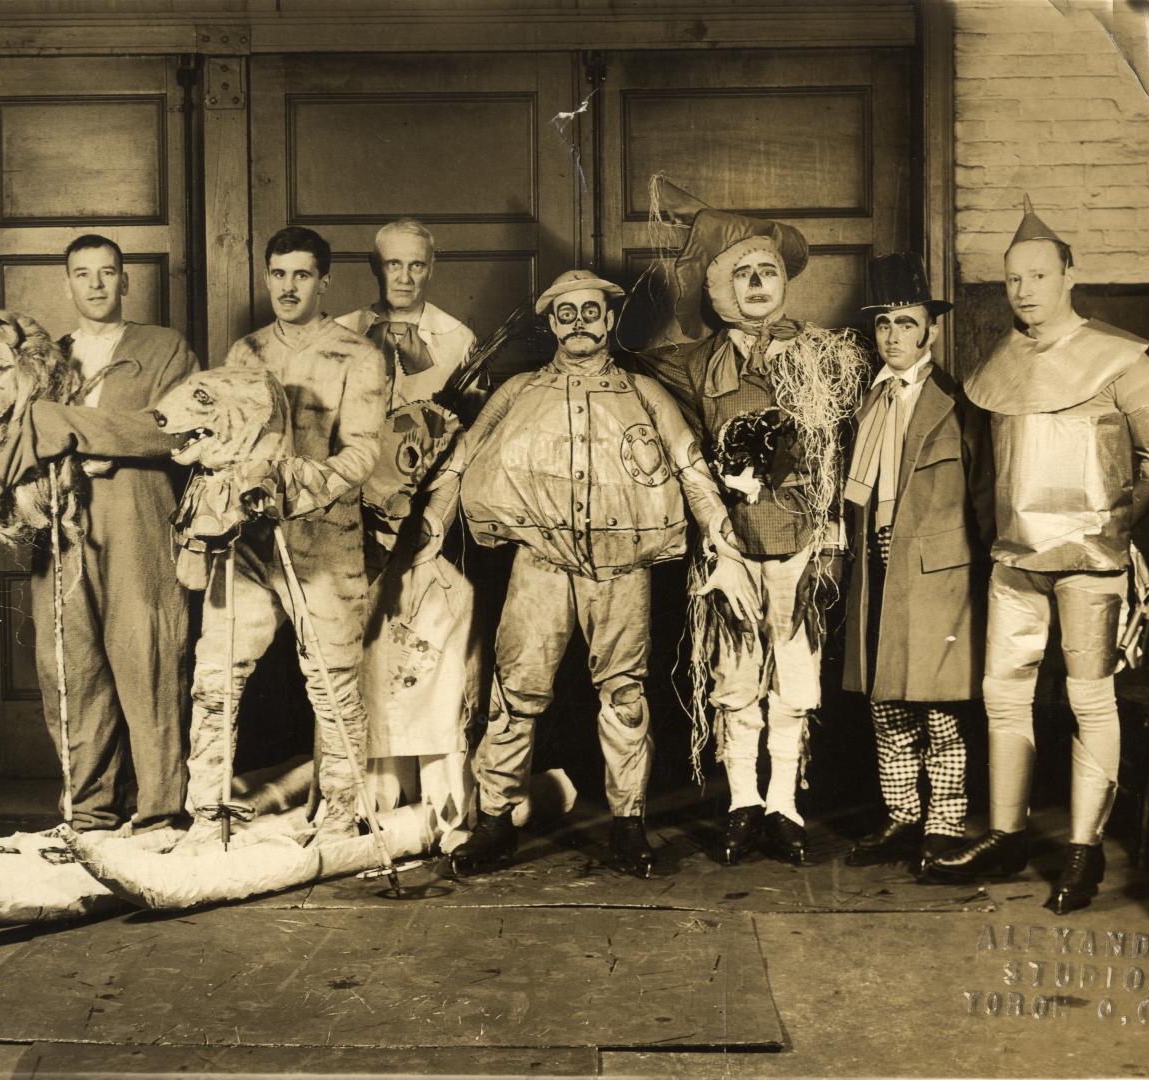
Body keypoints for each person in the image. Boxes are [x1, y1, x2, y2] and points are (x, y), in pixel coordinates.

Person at [424, 269, 736, 879]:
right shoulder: (517, 391)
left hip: (621, 567)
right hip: (538, 564)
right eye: (565, 315)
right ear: (550, 326)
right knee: (516, 694)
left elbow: (690, 464)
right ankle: (495, 818)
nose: (579, 325)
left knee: (623, 696)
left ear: (610, 320)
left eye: (590, 313)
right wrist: (433, 524)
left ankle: (628, 822)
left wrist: (722, 534)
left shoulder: (643, 393)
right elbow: (458, 464)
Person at [925, 200, 1149, 914]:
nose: (1024, 289)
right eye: (1012, 279)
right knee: (1002, 693)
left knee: (1087, 696)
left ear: (1068, 273)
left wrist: (1112, 532)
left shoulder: (1121, 357)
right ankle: (1006, 835)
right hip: (1014, 558)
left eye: (1038, 274)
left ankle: (1082, 851)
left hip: (1089, 562)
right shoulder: (999, 360)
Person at [0, 234, 197, 834]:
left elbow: (174, 431)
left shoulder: (163, 348)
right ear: (67, 283)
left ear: (125, 281)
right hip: (60, 539)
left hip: (138, 529)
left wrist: (68, 429)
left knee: (152, 667)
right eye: (82, 274)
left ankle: (162, 816)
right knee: (70, 673)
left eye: (107, 273)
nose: (95, 284)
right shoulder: (38, 361)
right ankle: (89, 815)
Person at [639, 207, 864, 867]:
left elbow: (842, 439)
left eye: (768, 270)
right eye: (742, 273)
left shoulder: (824, 353)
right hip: (729, 545)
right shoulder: (691, 364)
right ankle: (740, 803)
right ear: (717, 291)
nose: (758, 282)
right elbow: (632, 364)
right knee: (734, 675)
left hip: (802, 540)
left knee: (793, 678)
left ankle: (783, 806)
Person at [185, 226, 388, 844]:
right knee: (216, 676)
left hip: (323, 539)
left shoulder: (360, 355)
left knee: (331, 681)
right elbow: (221, 434)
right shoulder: (245, 352)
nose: (288, 287)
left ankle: (338, 812)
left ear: (325, 281)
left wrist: (290, 485)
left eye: (302, 275)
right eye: (278, 274)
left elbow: (361, 456)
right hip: (248, 542)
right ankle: (206, 813)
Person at [840, 253, 993, 872]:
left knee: (938, 703)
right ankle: (902, 814)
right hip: (876, 566)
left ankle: (945, 822)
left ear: (930, 329)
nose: (894, 336)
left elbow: (984, 495)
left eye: (906, 323)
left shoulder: (959, 402)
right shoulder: (868, 402)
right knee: (888, 699)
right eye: (884, 326)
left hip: (940, 572)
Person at [337, 218, 484, 853]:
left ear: (431, 267)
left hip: (431, 518)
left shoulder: (457, 338)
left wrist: (432, 516)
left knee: (431, 648)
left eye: (416, 266)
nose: (404, 277)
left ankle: (444, 796)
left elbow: (471, 437)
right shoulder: (341, 332)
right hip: (357, 519)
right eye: (392, 266)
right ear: (376, 269)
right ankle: (375, 796)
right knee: (365, 645)